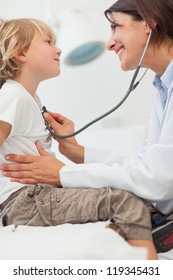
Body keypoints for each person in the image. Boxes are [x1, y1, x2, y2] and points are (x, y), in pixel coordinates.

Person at [0, 17, 157, 260]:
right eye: (49, 42)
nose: (58, 49)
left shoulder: (29, 99)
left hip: (37, 195)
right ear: (21, 53)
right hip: (24, 200)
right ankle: (151, 268)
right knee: (125, 203)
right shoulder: (13, 95)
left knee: (140, 199)